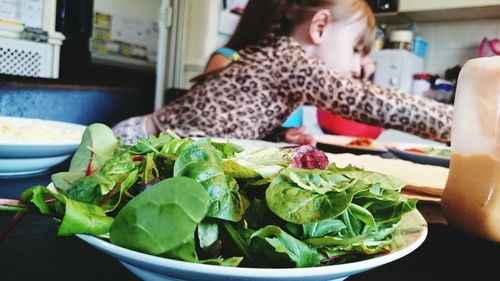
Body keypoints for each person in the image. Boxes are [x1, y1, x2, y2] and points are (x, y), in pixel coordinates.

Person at [113, 0, 453, 146]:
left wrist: (277, 134)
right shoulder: (292, 62)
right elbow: (366, 101)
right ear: (320, 27)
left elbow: (236, 122)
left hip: (157, 143)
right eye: (355, 50)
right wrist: (458, 123)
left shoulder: (280, 61)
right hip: (139, 142)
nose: (356, 66)